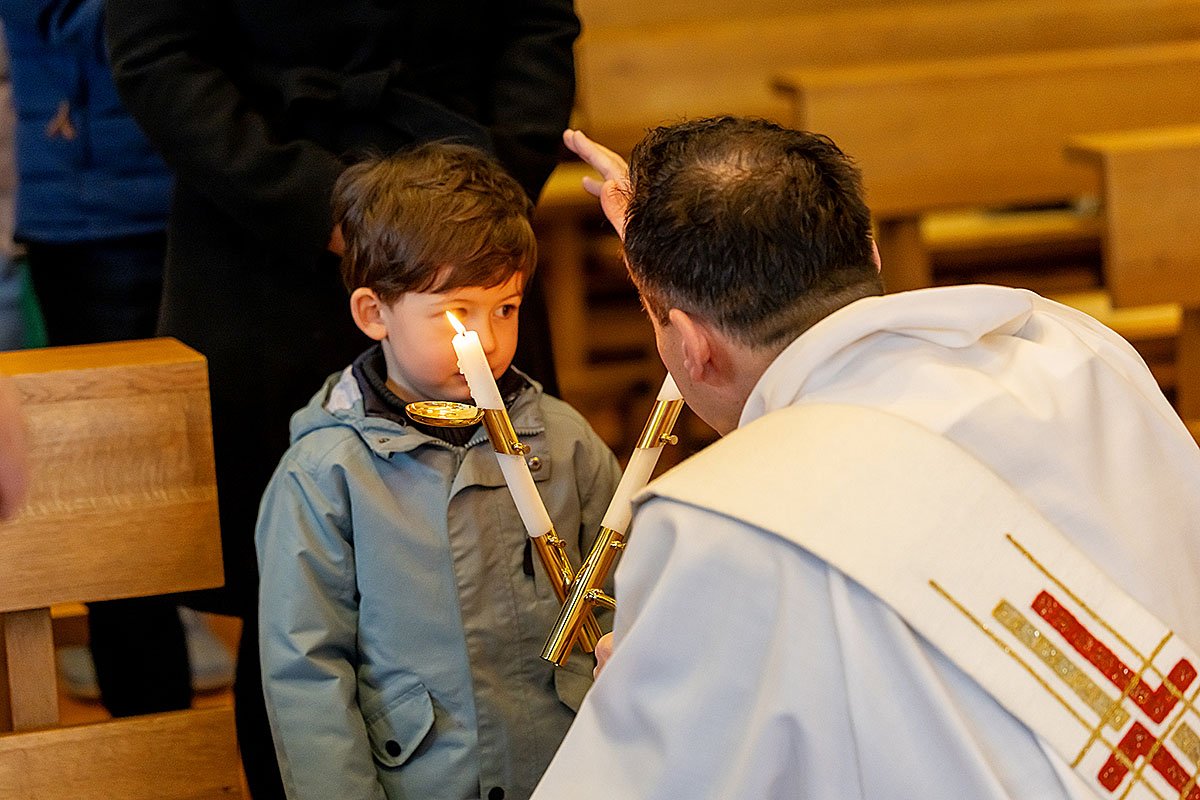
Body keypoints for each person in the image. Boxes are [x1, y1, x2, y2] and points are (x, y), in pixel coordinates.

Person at [531, 117, 1200, 799]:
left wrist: (644, 694)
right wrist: (672, 274)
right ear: (871, 255)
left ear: (695, 347)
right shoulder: (1070, 351)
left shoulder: (719, 526)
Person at [104, 5, 579, 795]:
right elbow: (159, 55)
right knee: (292, 598)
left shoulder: (533, 385)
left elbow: (537, 27)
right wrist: (321, 207)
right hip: (267, 236)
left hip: (463, 227)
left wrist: (475, 206)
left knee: (516, 563)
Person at [256, 143, 621, 800]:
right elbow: (306, 672)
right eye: (456, 314)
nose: (487, 341)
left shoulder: (563, 441)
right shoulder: (326, 474)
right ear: (374, 314)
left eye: (505, 308)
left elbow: (625, 590)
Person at [0, 0, 234, 718]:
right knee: (118, 501)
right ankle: (149, 731)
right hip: (96, 204)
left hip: (236, 182)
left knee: (258, 473)